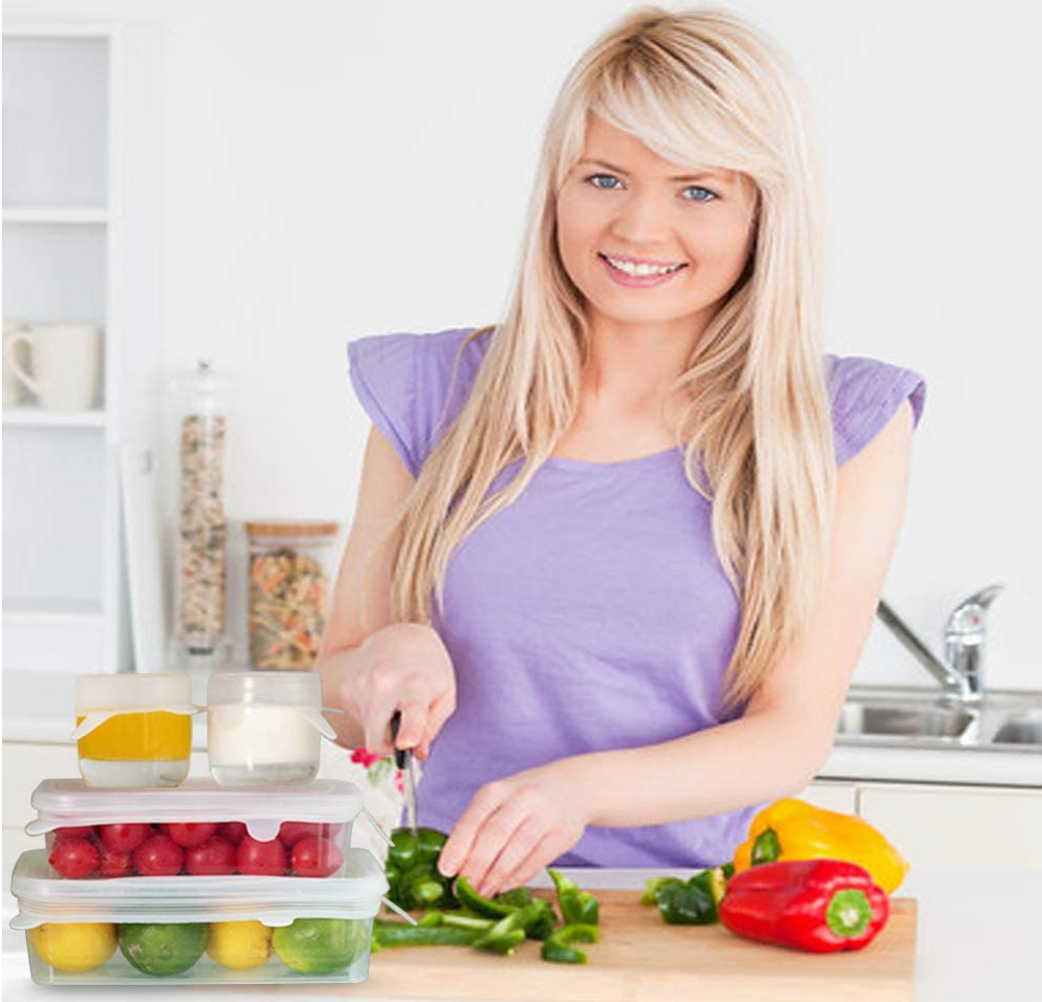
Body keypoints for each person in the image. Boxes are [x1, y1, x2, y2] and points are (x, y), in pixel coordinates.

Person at [316, 4, 925, 898]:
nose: (640, 228)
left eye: (698, 190)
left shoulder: (841, 421)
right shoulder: (429, 392)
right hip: (442, 907)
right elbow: (337, 694)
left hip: (691, 916)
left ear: (765, 213)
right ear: (556, 187)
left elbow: (793, 733)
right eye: (604, 178)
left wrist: (579, 792)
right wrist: (384, 658)